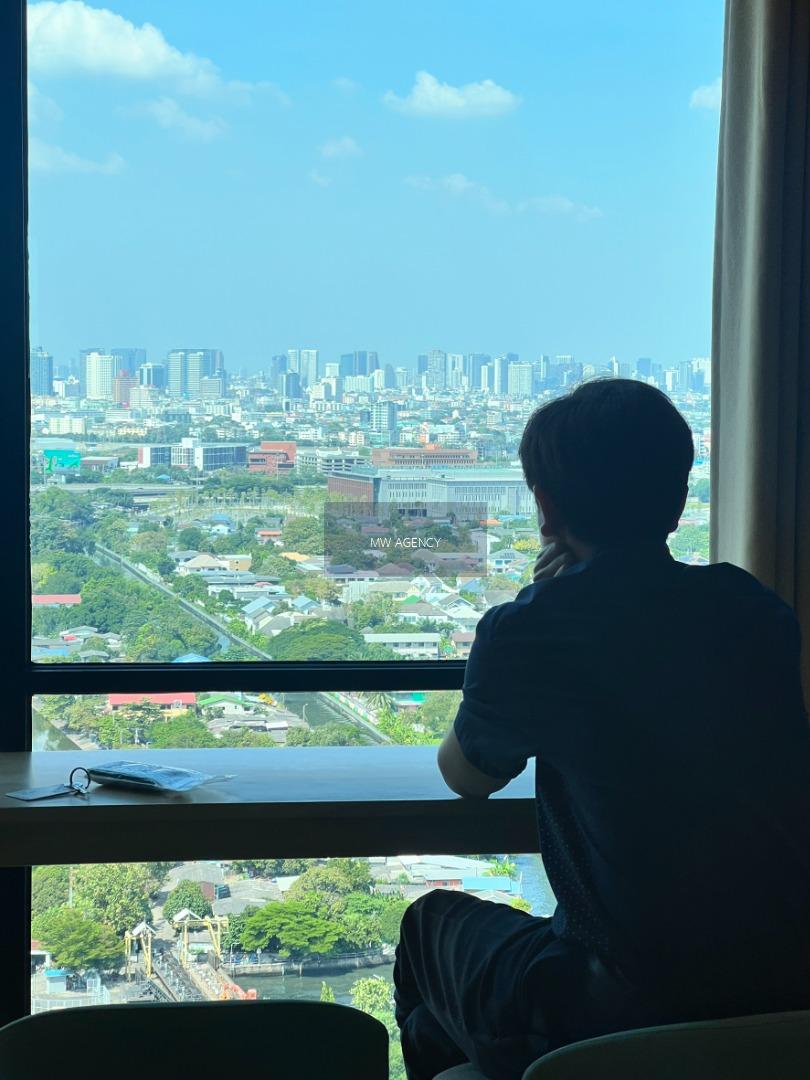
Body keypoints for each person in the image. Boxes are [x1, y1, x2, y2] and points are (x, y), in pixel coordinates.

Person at [393, 378, 810, 1080]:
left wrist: (536, 605)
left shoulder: (533, 629)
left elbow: (467, 777)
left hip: (617, 999)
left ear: (547, 509)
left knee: (427, 929)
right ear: (677, 499)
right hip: (784, 990)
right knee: (451, 1010)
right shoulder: (753, 608)